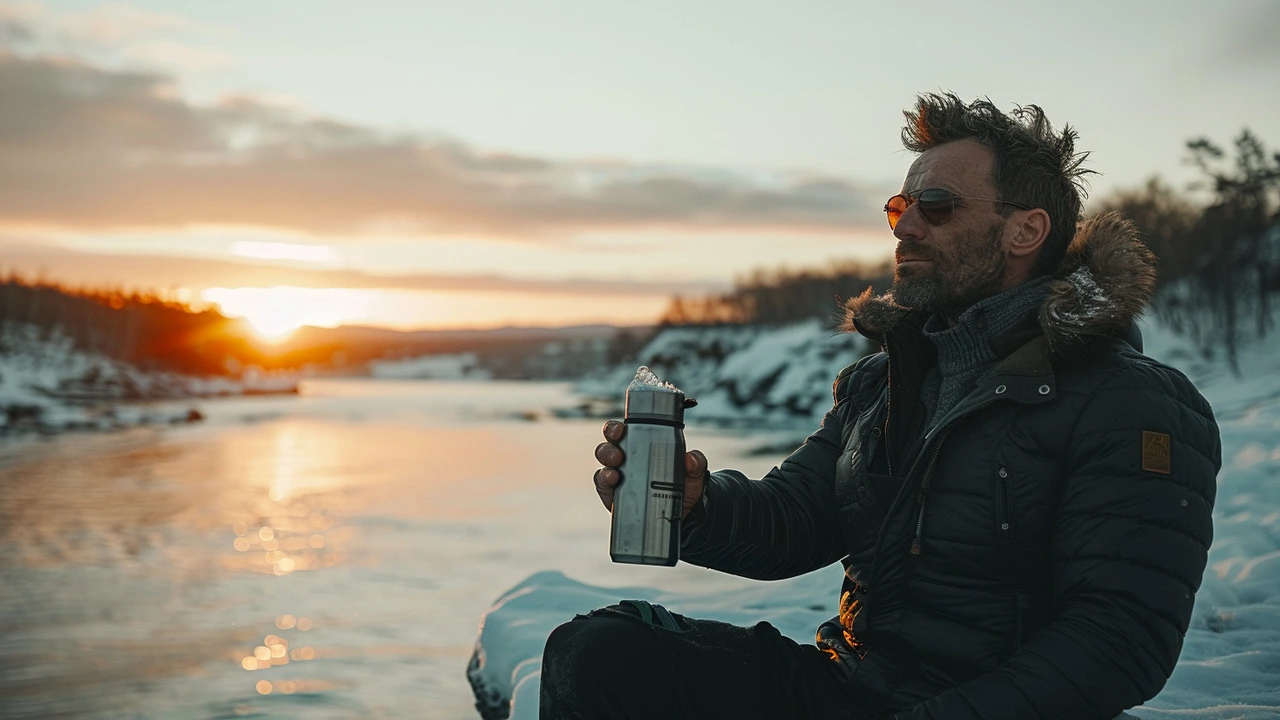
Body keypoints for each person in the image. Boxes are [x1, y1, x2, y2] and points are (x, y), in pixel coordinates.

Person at [539, 93, 1221, 720]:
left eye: (937, 206)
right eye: (901, 208)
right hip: (853, 687)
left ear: (1025, 231)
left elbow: (1119, 640)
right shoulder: (880, 382)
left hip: (982, 706)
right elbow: (796, 518)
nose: (907, 227)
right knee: (595, 651)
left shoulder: (1132, 401)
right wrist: (694, 505)